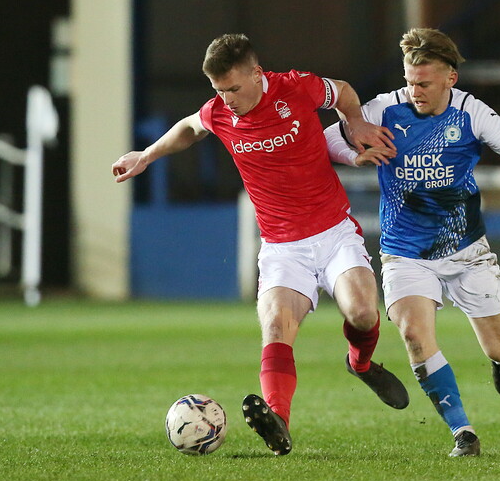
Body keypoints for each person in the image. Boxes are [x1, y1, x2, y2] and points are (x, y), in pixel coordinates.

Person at [111, 33, 409, 456]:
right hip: (282, 247)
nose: (227, 99)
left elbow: (340, 90)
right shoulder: (219, 113)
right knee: (276, 328)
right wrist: (146, 155)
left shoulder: (295, 87)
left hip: (333, 232)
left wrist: (356, 121)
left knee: (362, 312)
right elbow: (189, 129)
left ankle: (360, 363)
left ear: (256, 73)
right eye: (219, 91)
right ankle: (278, 424)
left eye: (233, 88)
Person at [325, 27, 500, 457]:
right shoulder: (382, 110)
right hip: (404, 250)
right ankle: (463, 432)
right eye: (410, 80)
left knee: (499, 345)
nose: (414, 90)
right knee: (415, 335)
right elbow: (324, 142)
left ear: (450, 78)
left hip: (466, 250)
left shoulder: (472, 113)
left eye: (424, 82)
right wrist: (353, 152)